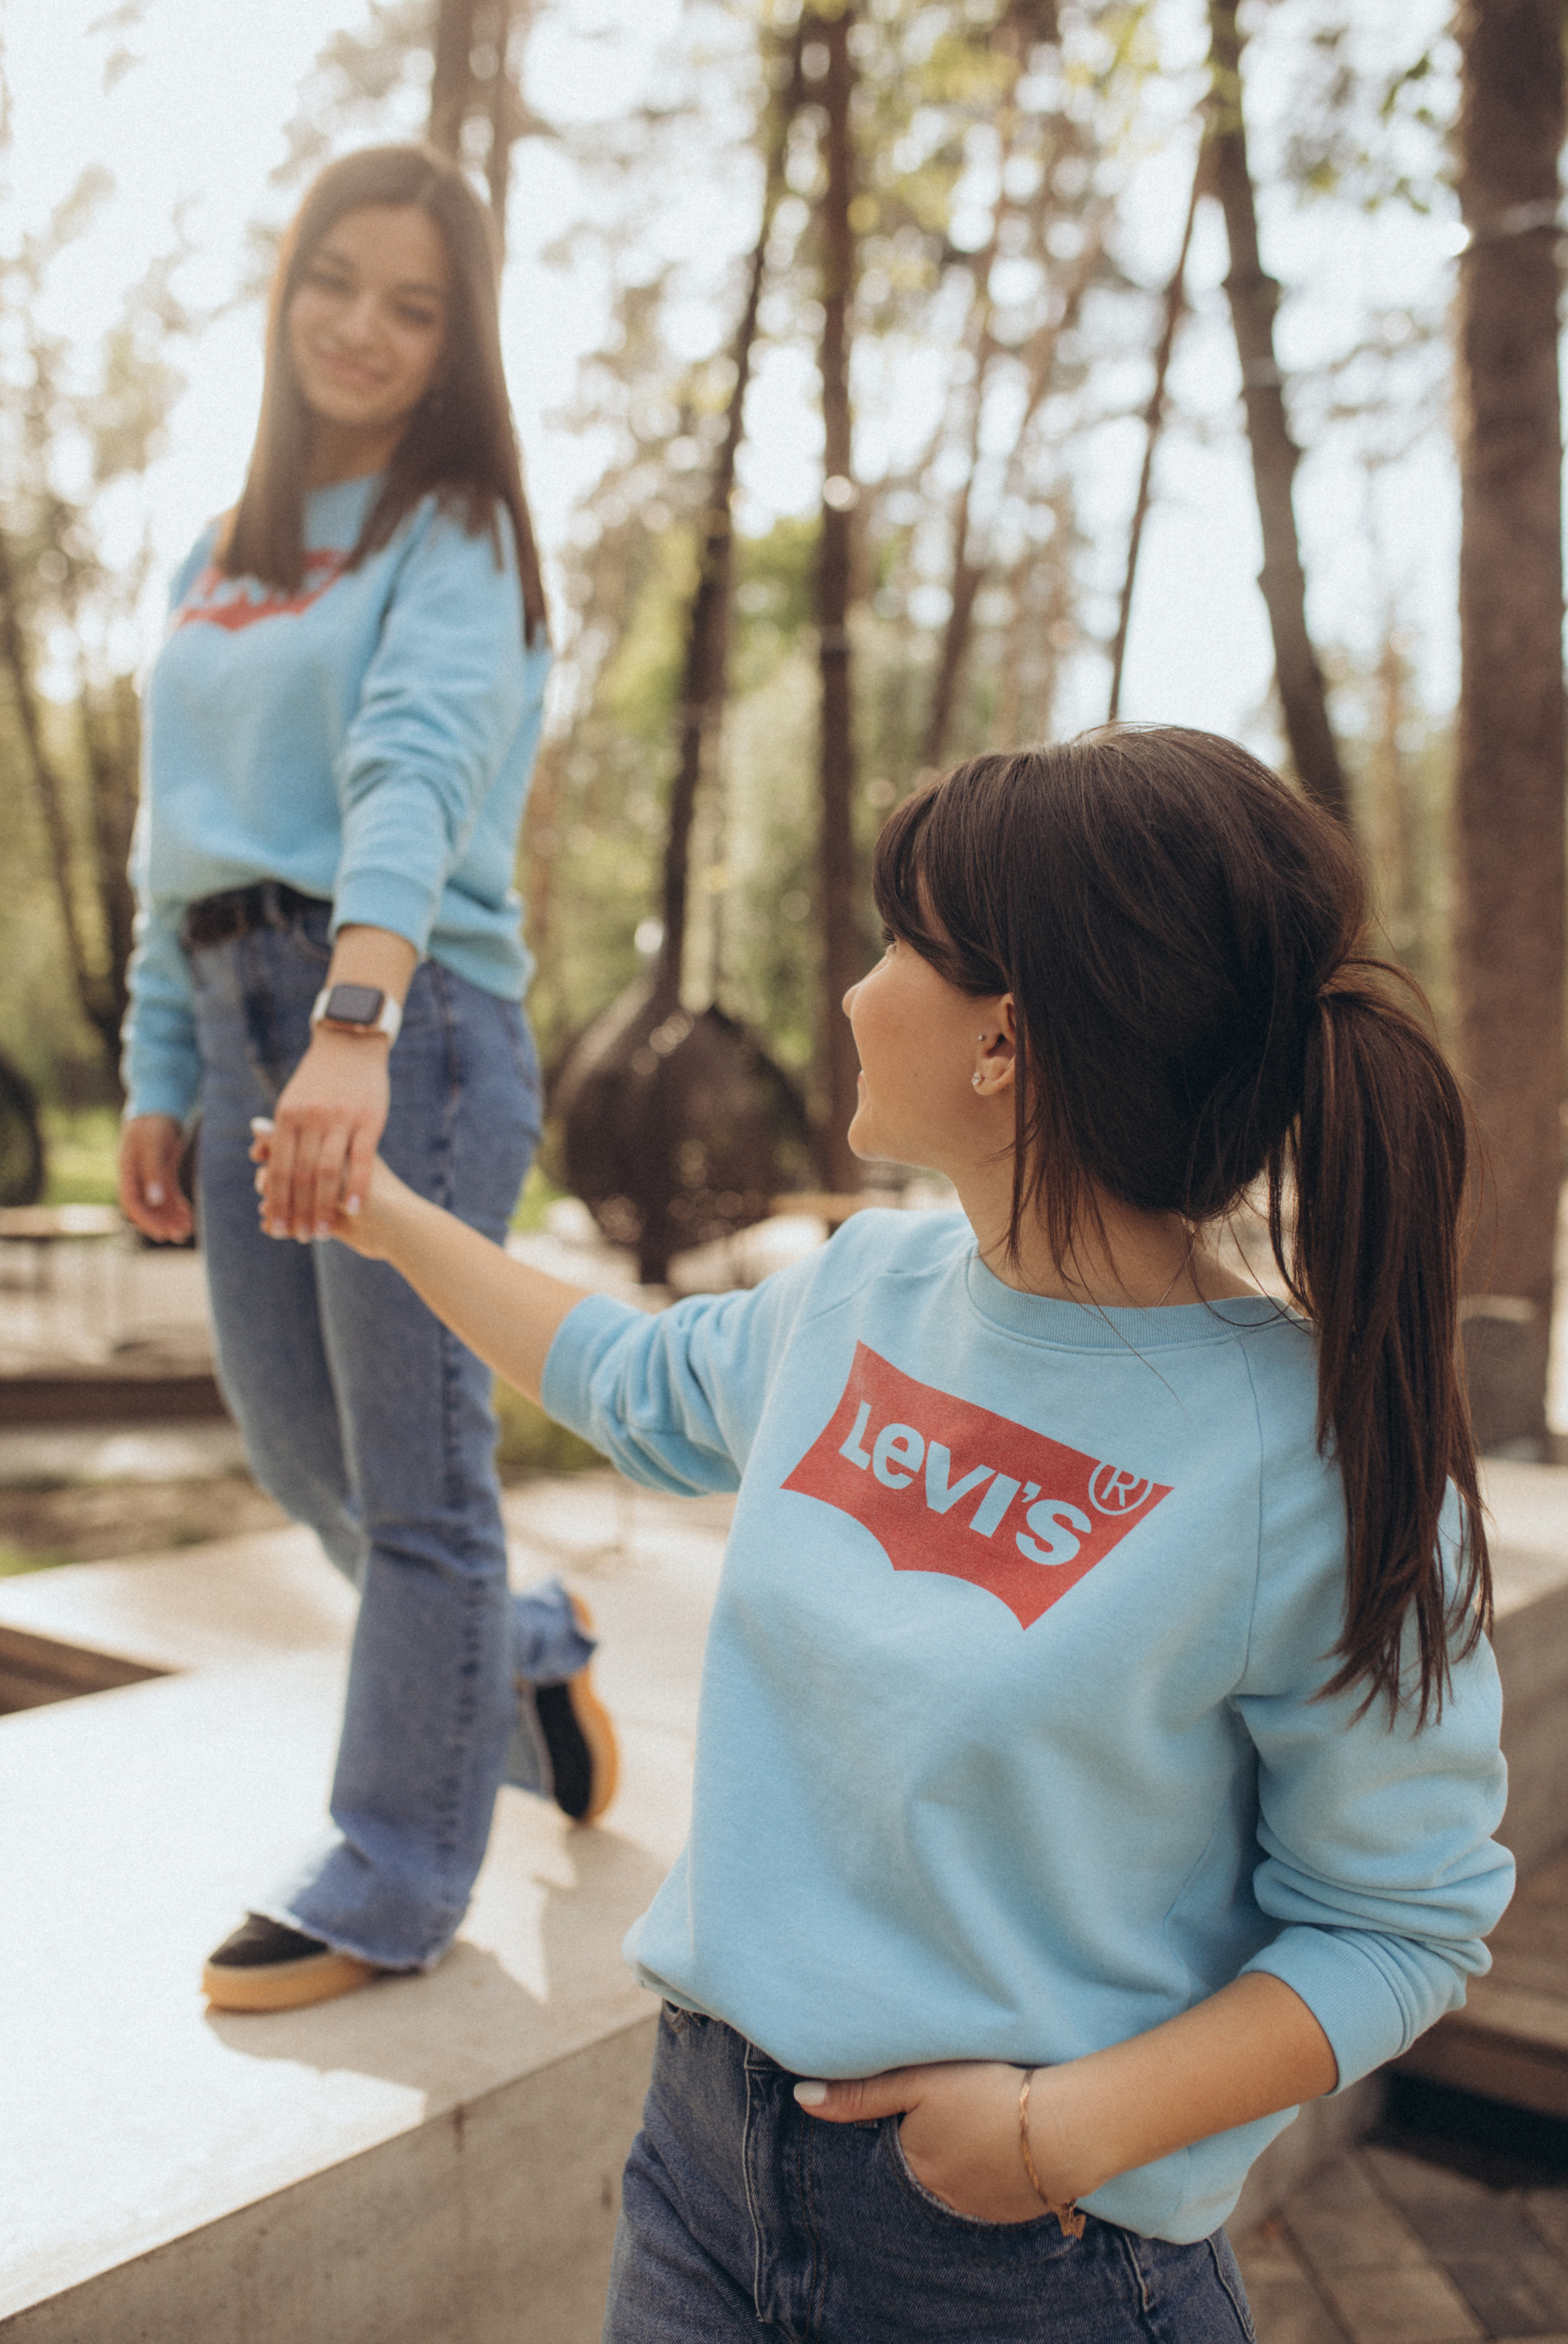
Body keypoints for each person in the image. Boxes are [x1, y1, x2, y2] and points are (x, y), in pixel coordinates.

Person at [273, 728, 1512, 2340]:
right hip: (702, 2177)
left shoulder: (1314, 1461)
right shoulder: (865, 1291)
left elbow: (1399, 1925)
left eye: (896, 945)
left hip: (1027, 2260)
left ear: (1008, 1039)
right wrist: (376, 1213)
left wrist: (1060, 2133)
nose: (856, 996)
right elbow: (631, 1382)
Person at [117, 142, 617, 2017]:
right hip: (235, 1009)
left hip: (407, 1027)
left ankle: (395, 1874)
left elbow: (413, 771)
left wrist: (355, 1027)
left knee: (412, 1476)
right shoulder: (222, 550)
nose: (363, 328)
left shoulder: (454, 529)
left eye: (416, 307)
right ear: (288, 287)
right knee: (297, 1452)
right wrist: (160, 1068)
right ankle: (532, 1640)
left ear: (459, 342)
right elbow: (174, 838)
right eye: (336, 280)